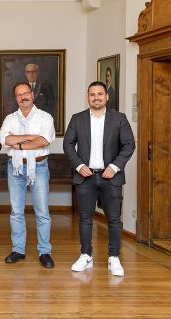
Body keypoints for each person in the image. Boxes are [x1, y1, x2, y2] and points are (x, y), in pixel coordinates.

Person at [63, 81, 135, 276]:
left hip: (110, 177)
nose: (96, 97)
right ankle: (86, 255)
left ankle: (114, 258)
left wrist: (114, 166)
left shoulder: (119, 118)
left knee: (113, 219)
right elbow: (68, 144)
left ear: (107, 97)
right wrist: (79, 165)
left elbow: (129, 144)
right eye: (92, 94)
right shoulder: (77, 119)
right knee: (85, 219)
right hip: (85, 177)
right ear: (88, 97)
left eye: (100, 94)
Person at [0, 82, 56, 268]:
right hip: (15, 167)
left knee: (42, 212)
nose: (23, 97)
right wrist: (32, 137)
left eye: (26, 93)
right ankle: (18, 250)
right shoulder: (10, 118)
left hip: (38, 167)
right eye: (19, 94)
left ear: (32, 94)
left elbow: (44, 141)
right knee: (16, 211)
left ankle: (45, 252)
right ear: (15, 98)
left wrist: (20, 143)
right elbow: (5, 139)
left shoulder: (44, 117)